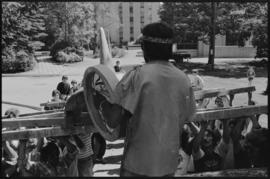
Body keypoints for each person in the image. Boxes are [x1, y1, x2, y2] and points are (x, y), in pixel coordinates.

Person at [99, 22, 196, 176]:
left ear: (145, 48)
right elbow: (187, 117)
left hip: (137, 166)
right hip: (168, 165)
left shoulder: (137, 75)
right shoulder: (183, 79)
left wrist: (102, 103)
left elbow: (112, 120)